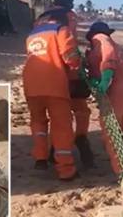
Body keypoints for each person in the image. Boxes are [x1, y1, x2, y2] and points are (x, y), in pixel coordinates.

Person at [37, 0, 94, 167]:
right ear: (69, 2)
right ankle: (81, 138)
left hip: (41, 69)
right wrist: (79, 64)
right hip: (65, 71)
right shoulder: (69, 16)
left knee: (54, 113)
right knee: (81, 110)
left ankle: (51, 149)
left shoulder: (41, 17)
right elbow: (70, 44)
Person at [23, 11, 82, 181]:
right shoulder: (61, 30)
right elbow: (70, 57)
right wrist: (78, 66)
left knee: (38, 121)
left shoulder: (31, 35)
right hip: (54, 84)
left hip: (31, 85)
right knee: (61, 126)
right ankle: (66, 170)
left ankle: (40, 158)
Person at [85, 21, 123, 176]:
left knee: (111, 131)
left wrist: (105, 79)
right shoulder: (114, 46)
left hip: (117, 92)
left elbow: (108, 59)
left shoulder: (101, 39)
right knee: (121, 126)